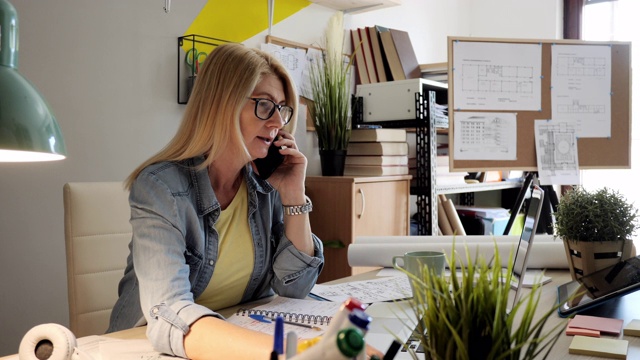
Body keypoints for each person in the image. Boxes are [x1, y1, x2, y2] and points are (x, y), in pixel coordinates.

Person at [107, 43, 324, 359]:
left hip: (234, 338)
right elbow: (170, 312)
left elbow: (295, 287)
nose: (278, 122)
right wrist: (289, 353)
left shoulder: (265, 185)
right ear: (223, 104)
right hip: (151, 347)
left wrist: (293, 195)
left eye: (282, 108)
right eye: (264, 105)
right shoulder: (161, 187)